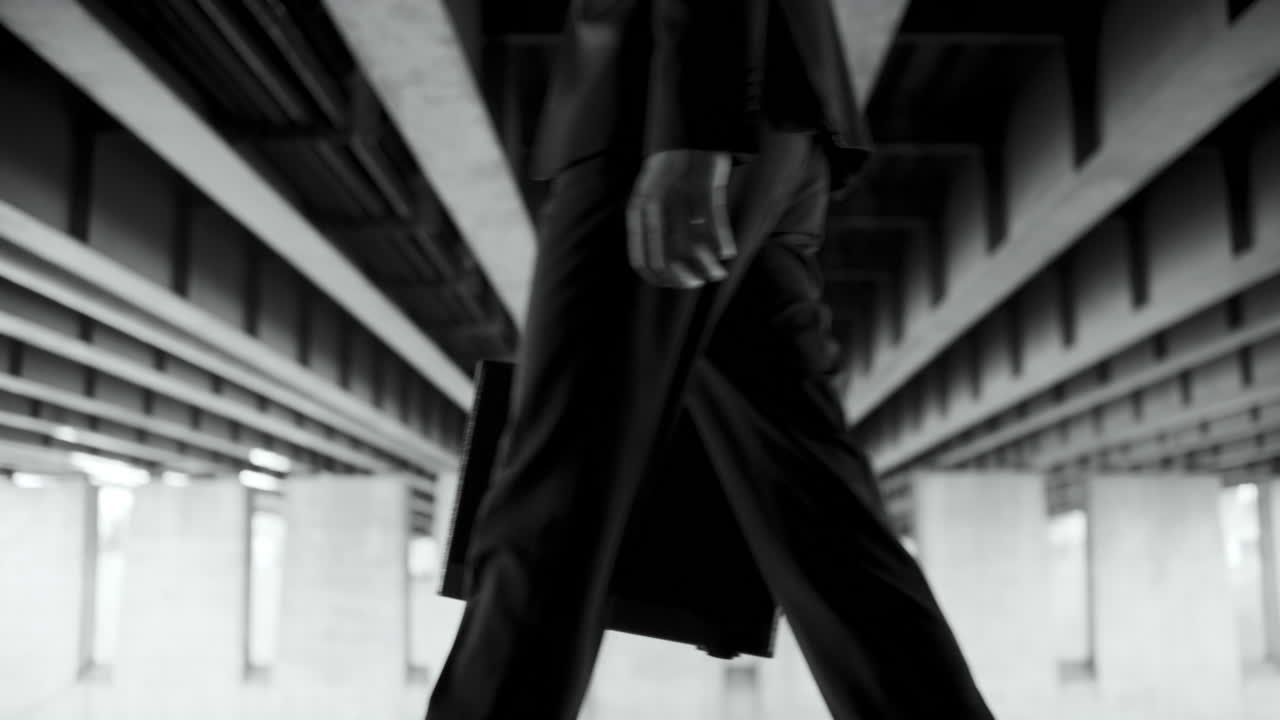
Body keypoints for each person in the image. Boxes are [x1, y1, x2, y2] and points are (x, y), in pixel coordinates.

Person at [425, 0, 996, 718]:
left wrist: (692, 128)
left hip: (662, 107)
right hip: (768, 114)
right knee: (816, 514)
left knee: (557, 483)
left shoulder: (683, 119)